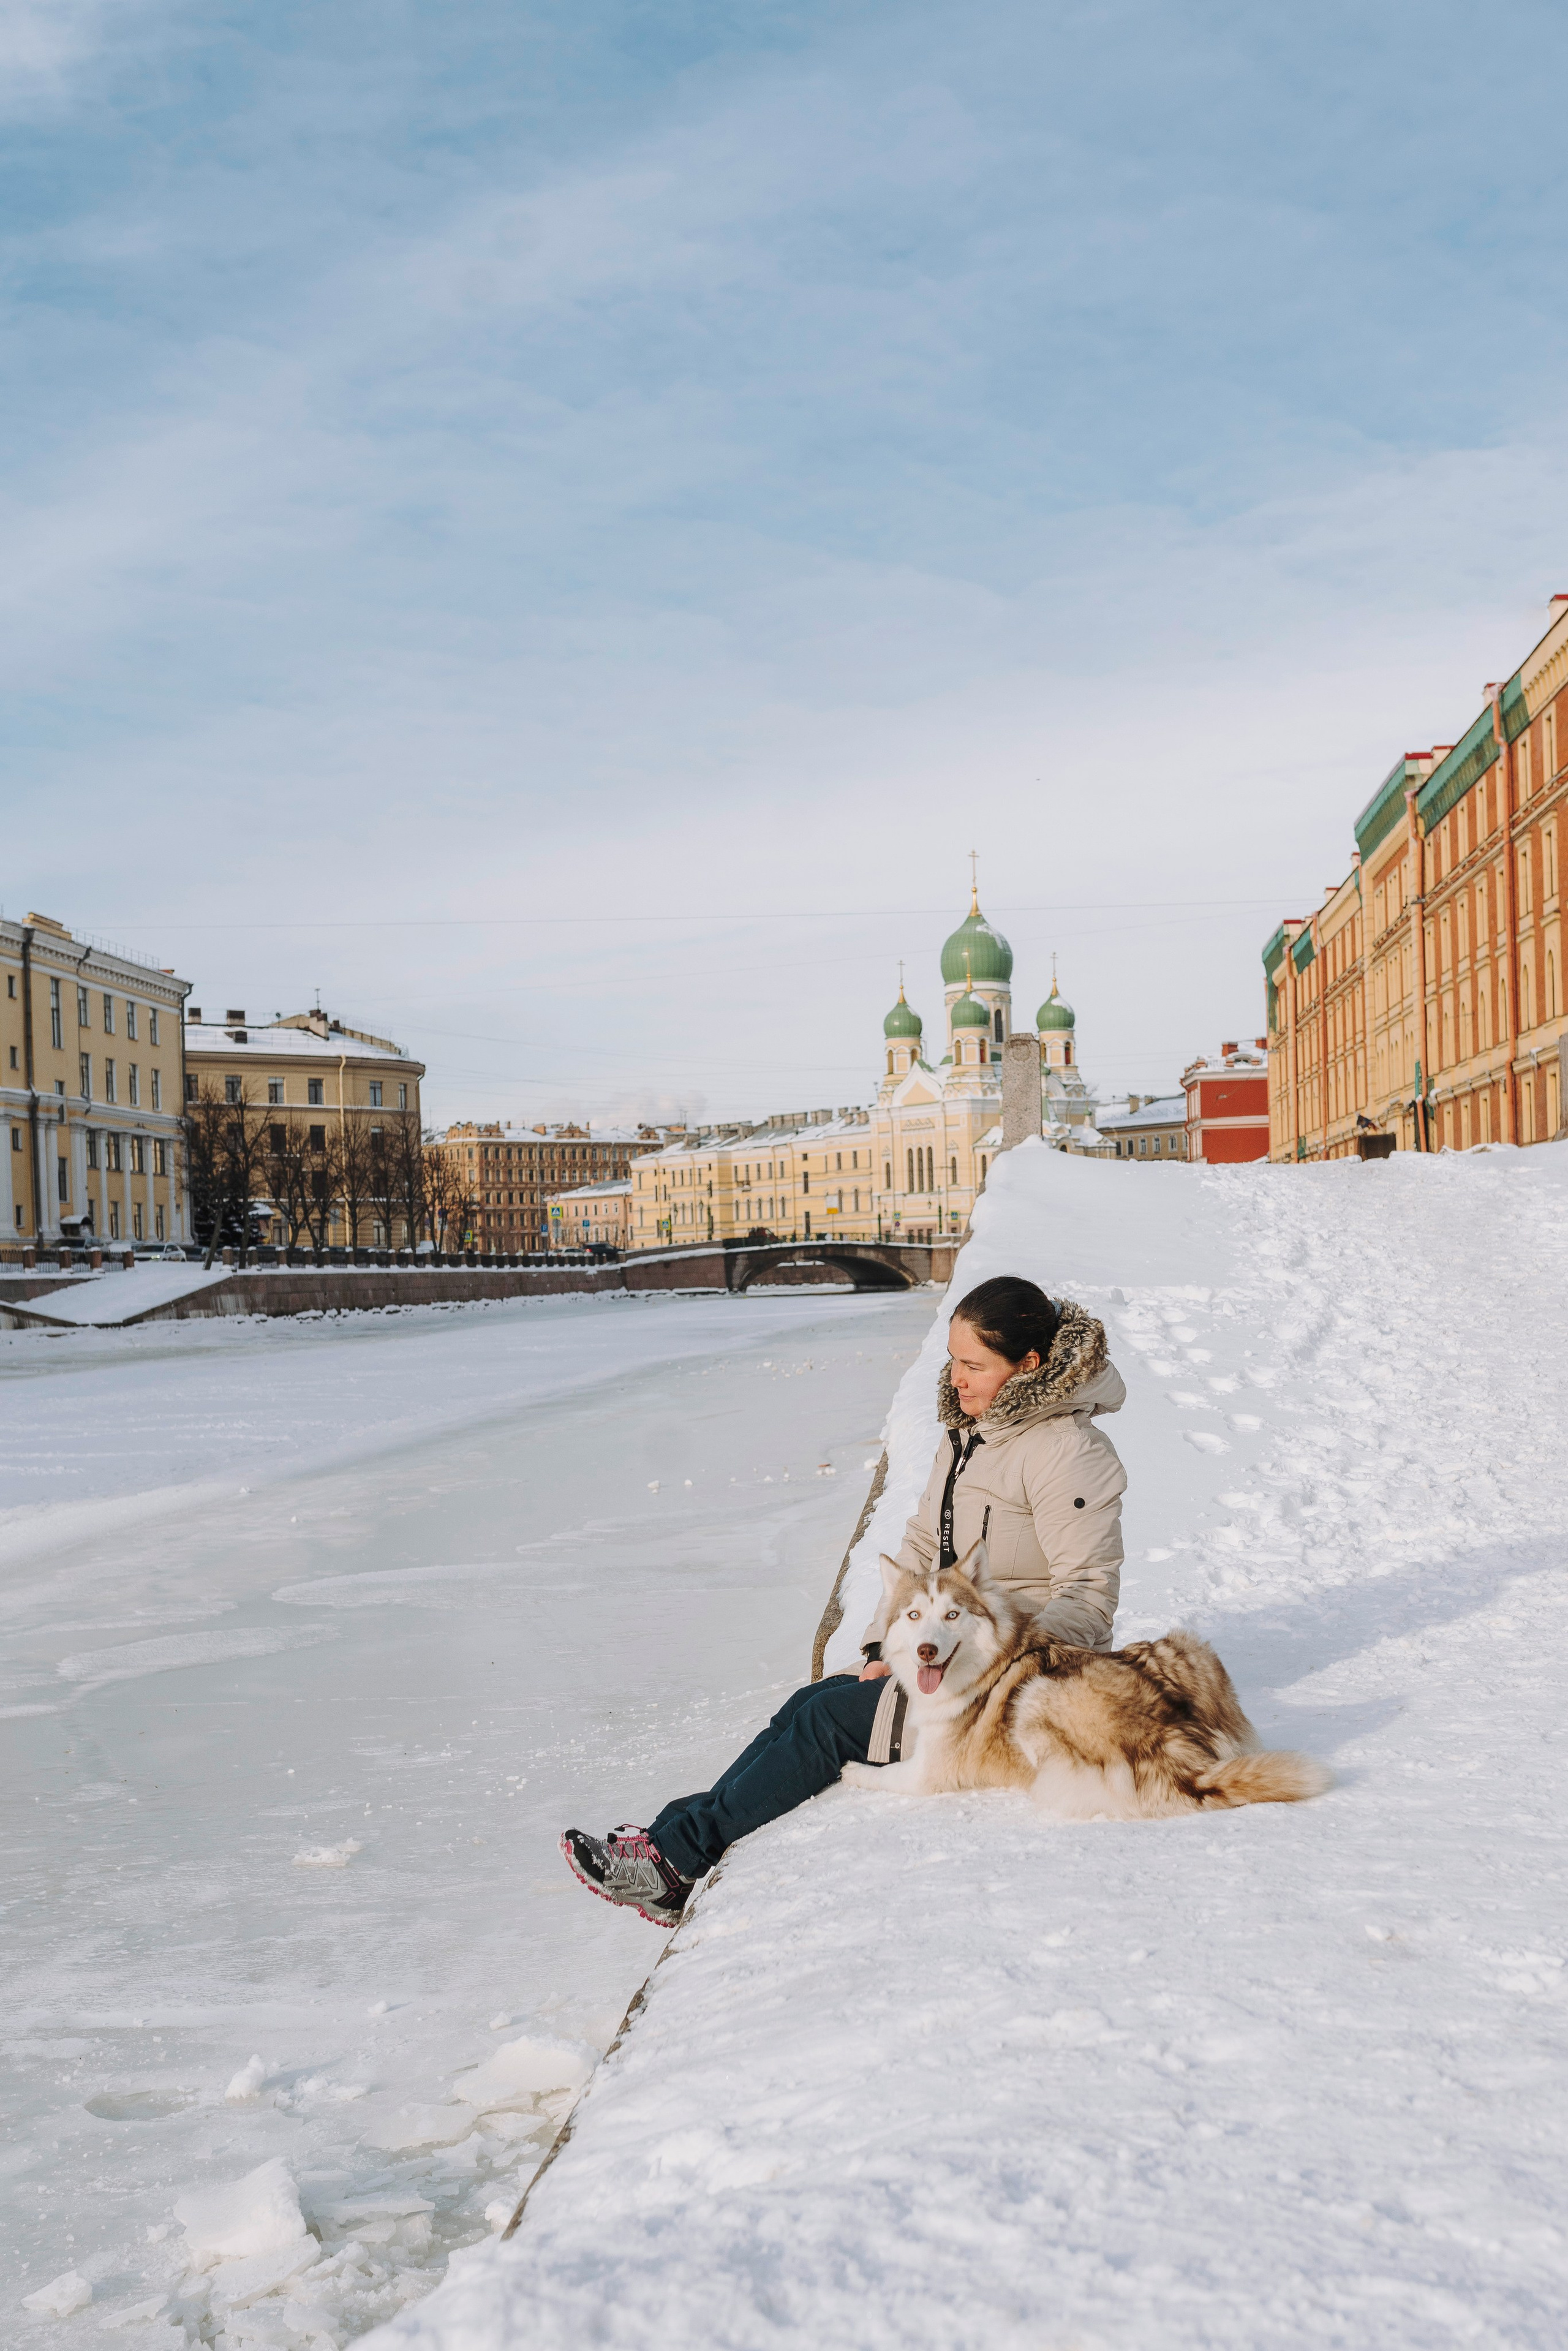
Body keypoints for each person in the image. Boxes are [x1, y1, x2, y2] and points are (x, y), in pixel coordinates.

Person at [560, 1275, 1127, 1925]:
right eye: (952, 1360)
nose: (957, 1378)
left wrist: (990, 1669)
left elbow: (1087, 1599)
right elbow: (921, 1547)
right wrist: (881, 1643)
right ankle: (670, 1845)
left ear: (1028, 1365)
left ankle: (671, 1859)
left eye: (974, 1365)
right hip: (946, 1658)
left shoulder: (1067, 1453)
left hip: (1015, 1694)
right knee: (811, 1701)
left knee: (823, 1726)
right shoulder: (971, 1433)